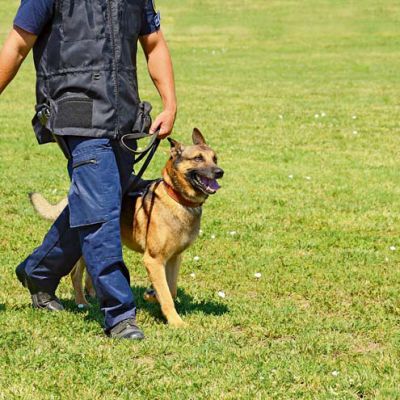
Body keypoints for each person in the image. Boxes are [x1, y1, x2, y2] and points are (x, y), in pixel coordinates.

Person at [0, 0, 177, 340]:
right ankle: (120, 314)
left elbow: (153, 42)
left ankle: (39, 271)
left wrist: (169, 102)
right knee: (99, 212)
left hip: (124, 119)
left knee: (96, 201)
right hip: (75, 113)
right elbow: (18, 44)